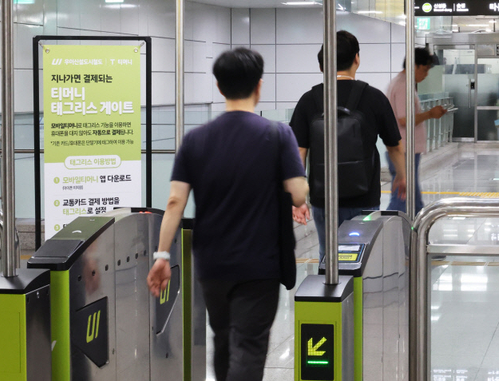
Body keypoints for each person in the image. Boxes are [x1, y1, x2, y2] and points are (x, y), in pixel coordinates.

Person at [146, 48, 308, 381]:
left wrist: (162, 255)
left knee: (222, 340)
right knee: (248, 348)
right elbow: (298, 193)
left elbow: (175, 202)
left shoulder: (195, 140)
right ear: (259, 86)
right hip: (259, 263)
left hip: (212, 263)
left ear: (219, 87)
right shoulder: (277, 135)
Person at [289, 30, 406, 263]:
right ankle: (359, 298)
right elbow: (394, 146)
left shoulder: (308, 100)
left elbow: (297, 153)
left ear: (322, 67)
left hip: (323, 198)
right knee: (363, 259)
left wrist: (298, 199)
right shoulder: (374, 97)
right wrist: (401, 176)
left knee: (328, 256)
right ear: (357, 59)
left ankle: (331, 295)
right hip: (365, 196)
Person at [386, 47, 447, 215]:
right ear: (414, 65)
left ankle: (417, 232)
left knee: (412, 198)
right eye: (425, 69)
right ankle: (392, 233)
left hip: (406, 150)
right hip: (403, 150)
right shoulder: (402, 85)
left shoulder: (404, 83)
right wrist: (430, 114)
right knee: (402, 198)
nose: (426, 74)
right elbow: (403, 119)